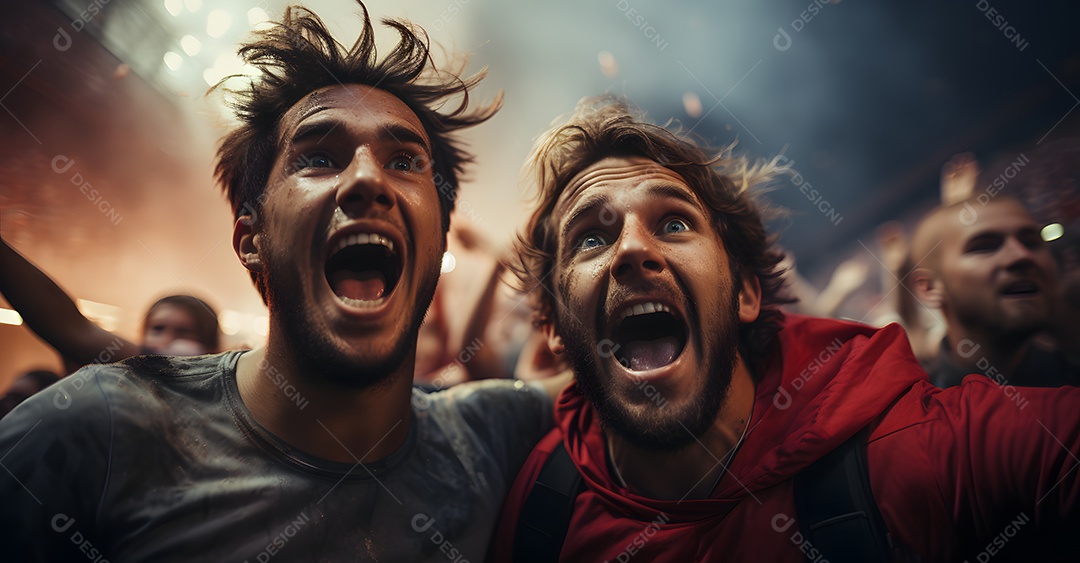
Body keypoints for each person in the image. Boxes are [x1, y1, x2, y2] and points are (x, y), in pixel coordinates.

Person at [0, 3, 559, 561]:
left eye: (406, 162)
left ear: (437, 242)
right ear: (252, 240)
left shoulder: (491, 437)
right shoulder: (97, 434)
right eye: (317, 156)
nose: (367, 179)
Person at [492, 95, 1080, 562]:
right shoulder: (538, 500)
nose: (633, 250)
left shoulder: (901, 447)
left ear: (747, 293)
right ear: (554, 329)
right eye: (591, 238)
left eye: (673, 222)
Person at [910, 195, 1080, 387]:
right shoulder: (916, 411)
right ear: (929, 288)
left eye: (1032, 242)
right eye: (985, 247)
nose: (1022, 256)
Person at [0, 236, 220, 371]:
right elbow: (71, 330)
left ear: (212, 348)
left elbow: (70, 328)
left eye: (183, 332)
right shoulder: (132, 372)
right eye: (157, 329)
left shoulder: (225, 385)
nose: (167, 340)